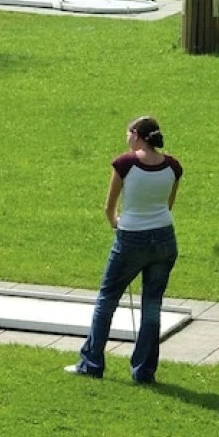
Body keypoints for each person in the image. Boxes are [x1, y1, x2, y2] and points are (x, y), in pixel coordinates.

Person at [67, 116, 182, 384]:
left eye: (128, 133)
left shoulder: (126, 163)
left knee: (107, 300)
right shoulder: (173, 166)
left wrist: (115, 224)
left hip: (132, 238)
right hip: (165, 238)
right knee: (152, 306)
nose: (126, 138)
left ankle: (91, 363)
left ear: (137, 135)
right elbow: (168, 205)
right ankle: (144, 372)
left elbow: (110, 206)